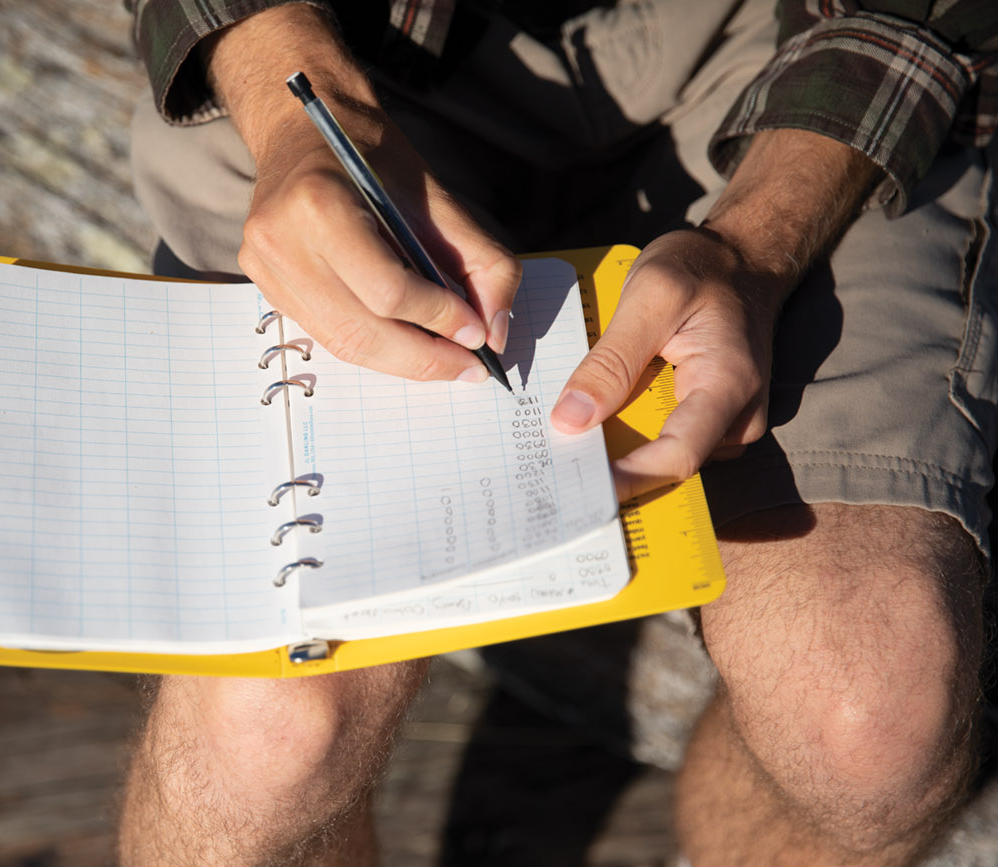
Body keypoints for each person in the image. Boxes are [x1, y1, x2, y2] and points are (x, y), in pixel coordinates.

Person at [118, 1, 997, 863]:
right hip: (353, 42)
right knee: (261, 733)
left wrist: (757, 245)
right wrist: (293, 107)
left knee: (870, 712)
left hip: (802, 53)